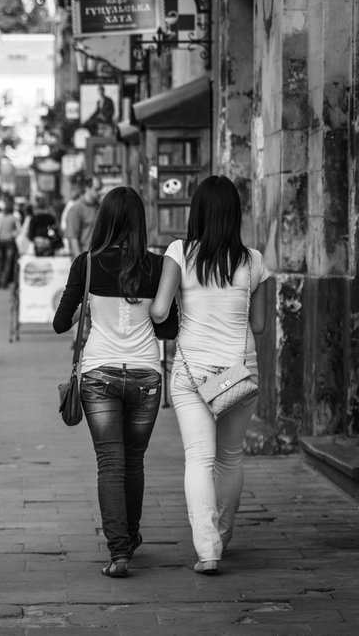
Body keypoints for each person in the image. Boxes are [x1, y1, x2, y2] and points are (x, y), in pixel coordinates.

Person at [53, 187, 178, 578]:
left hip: (99, 373)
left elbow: (60, 322)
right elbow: (168, 327)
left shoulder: (86, 264)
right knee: (134, 461)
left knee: (110, 463)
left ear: (103, 219)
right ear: (140, 222)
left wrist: (86, 306)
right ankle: (132, 534)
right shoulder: (157, 267)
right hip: (145, 375)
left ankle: (119, 553)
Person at [150, 175, 269, 576]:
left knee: (198, 458)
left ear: (196, 211)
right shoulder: (253, 260)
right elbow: (260, 325)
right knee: (230, 457)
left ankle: (208, 550)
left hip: (192, 371)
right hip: (239, 373)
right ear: (235, 214)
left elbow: (160, 311)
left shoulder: (180, 252)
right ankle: (223, 531)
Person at [65, 175, 102, 258]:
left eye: (100, 189)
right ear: (87, 188)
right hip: (85, 257)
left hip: (98, 258)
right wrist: (81, 262)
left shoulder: (101, 207)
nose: (99, 192)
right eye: (97, 189)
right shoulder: (76, 210)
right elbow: (73, 239)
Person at [0, 201, 20, 288]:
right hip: (9, 241)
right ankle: (4, 282)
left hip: (0, 241)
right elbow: (19, 229)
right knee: (8, 263)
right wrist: (13, 234)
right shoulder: (13, 218)